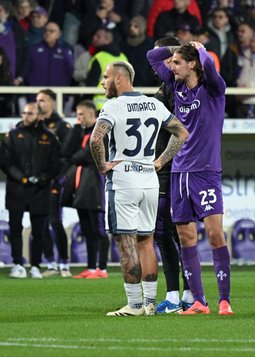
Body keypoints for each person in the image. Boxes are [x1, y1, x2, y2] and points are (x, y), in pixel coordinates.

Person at [89, 60, 189, 316]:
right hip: (149, 179)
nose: (103, 82)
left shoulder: (112, 105)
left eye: (106, 77)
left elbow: (96, 138)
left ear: (119, 79)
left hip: (123, 180)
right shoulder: (154, 103)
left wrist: (102, 166)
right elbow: (182, 133)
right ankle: (150, 304)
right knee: (146, 242)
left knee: (126, 244)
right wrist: (161, 161)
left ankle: (134, 305)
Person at [147, 41, 233, 315]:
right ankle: (198, 301)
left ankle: (224, 300)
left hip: (206, 172)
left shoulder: (214, 90)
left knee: (215, 234)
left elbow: (209, 65)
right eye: (171, 63)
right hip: (178, 172)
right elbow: (152, 56)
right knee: (185, 237)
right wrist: (179, 48)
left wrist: (200, 49)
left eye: (177, 62)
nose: (171, 67)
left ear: (192, 64)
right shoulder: (176, 86)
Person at [151, 36, 193, 313]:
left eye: (161, 58)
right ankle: (182, 294)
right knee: (167, 233)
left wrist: (162, 161)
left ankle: (185, 294)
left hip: (173, 168)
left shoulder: (175, 87)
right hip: (167, 168)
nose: (156, 64)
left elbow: (178, 131)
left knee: (170, 233)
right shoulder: (166, 87)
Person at [0, 102, 61, 279]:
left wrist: (43, 179)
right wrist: (23, 178)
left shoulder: (49, 138)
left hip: (40, 190)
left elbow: (55, 164)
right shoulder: (12, 136)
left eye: (30, 114)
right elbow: (5, 162)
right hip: (17, 190)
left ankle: (35, 266)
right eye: (24, 113)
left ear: (40, 116)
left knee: (39, 231)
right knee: (15, 229)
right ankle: (18, 264)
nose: (26, 117)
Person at [62, 100, 110, 279]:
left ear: (91, 114)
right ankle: (91, 268)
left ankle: (102, 269)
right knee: (87, 230)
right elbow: (65, 153)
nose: (78, 118)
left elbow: (86, 155)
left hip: (95, 186)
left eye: (81, 114)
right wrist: (75, 130)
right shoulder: (80, 132)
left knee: (98, 230)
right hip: (80, 188)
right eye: (77, 114)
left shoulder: (100, 133)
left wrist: (74, 158)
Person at [36, 89, 72, 277]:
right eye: (37, 100)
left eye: (42, 100)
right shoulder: (36, 126)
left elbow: (67, 157)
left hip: (55, 182)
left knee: (54, 221)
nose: (38, 103)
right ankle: (50, 263)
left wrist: (60, 178)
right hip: (39, 183)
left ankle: (64, 264)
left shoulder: (63, 127)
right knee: (40, 224)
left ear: (51, 102)